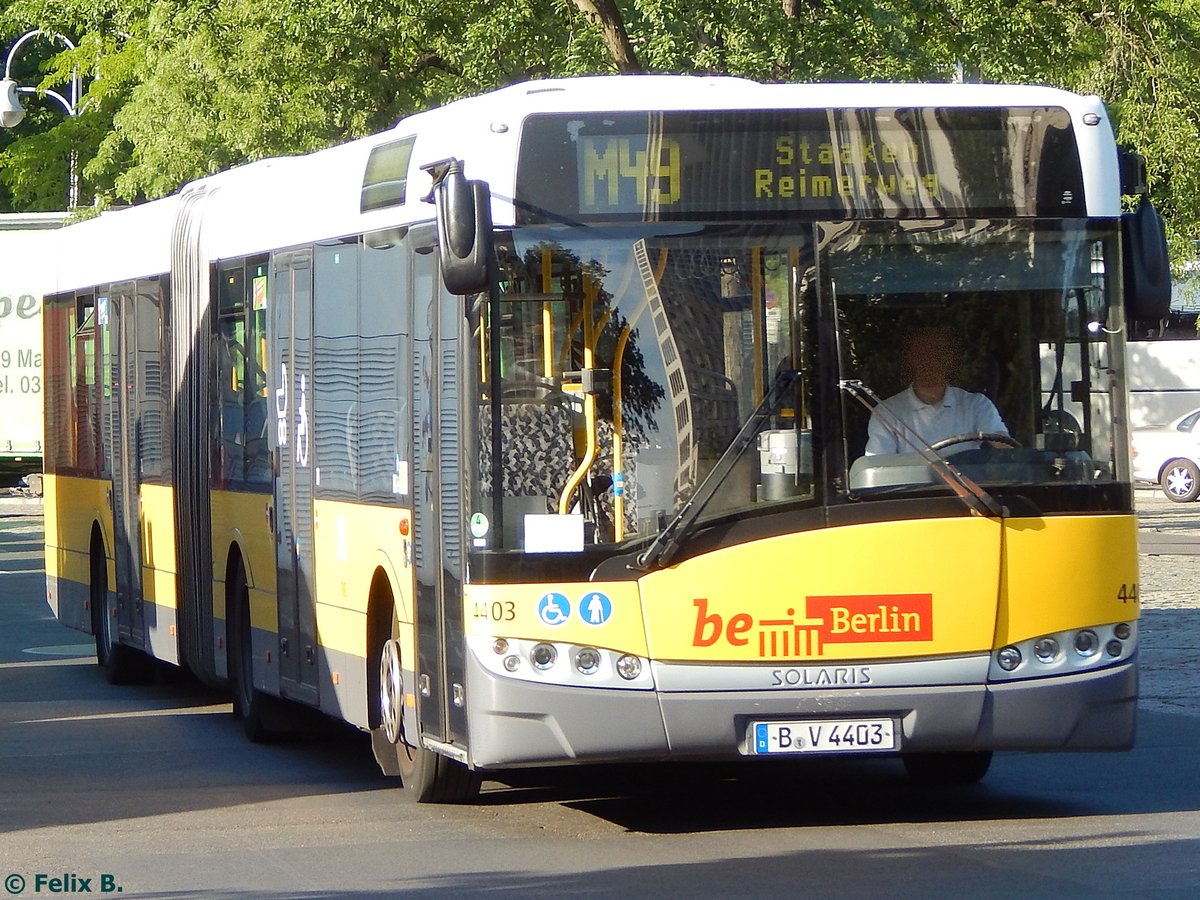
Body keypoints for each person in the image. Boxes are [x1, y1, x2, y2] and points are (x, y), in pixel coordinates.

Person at [865, 326, 1009, 455]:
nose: (930, 362)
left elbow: (1004, 445)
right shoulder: (886, 413)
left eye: (937, 355)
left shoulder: (976, 405)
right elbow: (879, 467)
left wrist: (1007, 449)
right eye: (922, 355)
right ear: (911, 360)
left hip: (967, 478)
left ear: (949, 360)